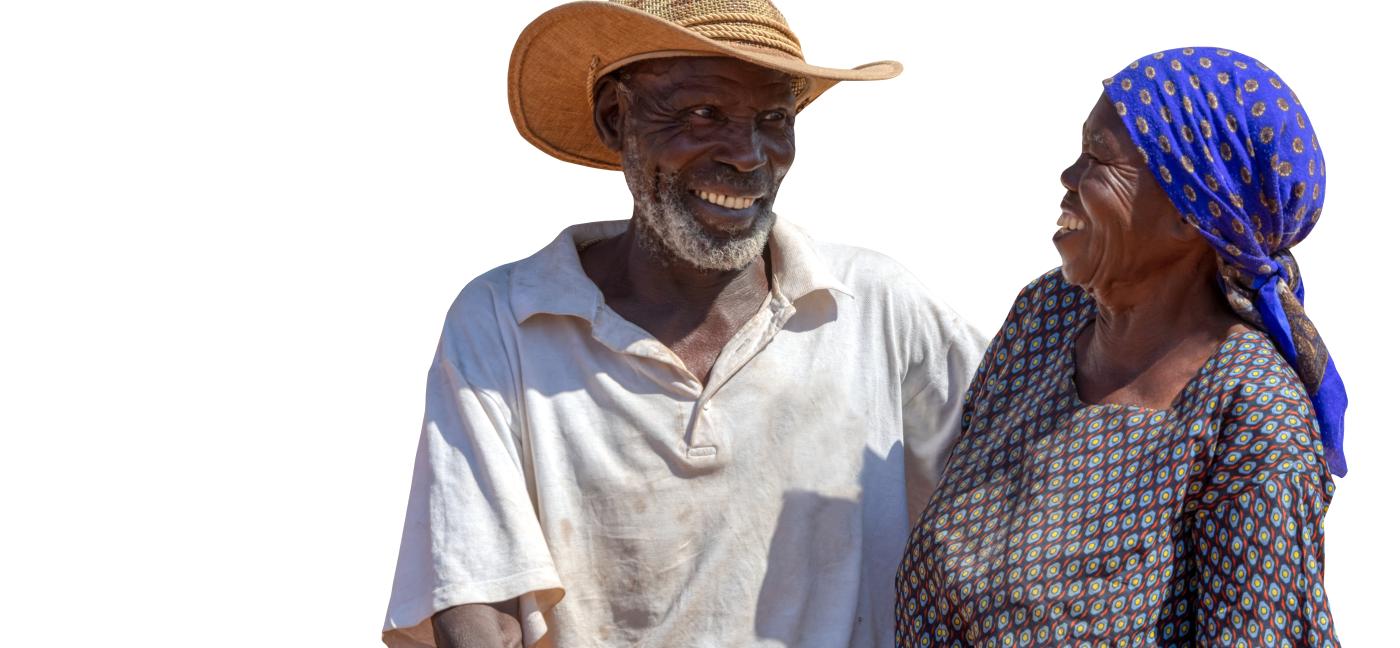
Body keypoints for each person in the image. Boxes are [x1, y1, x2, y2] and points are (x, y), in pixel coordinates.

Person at [382, 2, 987, 646]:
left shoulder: (875, 308)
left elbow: (1033, 465)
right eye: (703, 114)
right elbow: (476, 600)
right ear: (617, 119)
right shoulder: (506, 322)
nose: (749, 156)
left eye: (773, 118)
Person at [896, 48, 1346, 647]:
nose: (1067, 178)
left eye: (1098, 158)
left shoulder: (1254, 416)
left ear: (1192, 215)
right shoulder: (1048, 317)